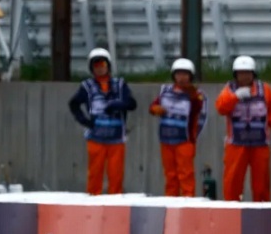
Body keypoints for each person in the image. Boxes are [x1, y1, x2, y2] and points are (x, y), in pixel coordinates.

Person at [68, 48, 138, 195]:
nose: (100, 68)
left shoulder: (120, 85)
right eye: (96, 65)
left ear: (108, 66)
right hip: (96, 138)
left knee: (116, 175)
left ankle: (115, 205)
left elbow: (132, 104)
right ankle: (93, 204)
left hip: (117, 139)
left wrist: (117, 105)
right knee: (95, 174)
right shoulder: (87, 87)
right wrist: (84, 121)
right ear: (91, 68)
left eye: (103, 65)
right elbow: (73, 104)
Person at [215, 56, 271, 202]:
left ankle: (262, 213)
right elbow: (220, 108)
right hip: (236, 144)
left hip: (260, 144)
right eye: (240, 73)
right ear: (235, 75)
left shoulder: (264, 90)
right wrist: (235, 97)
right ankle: (232, 211)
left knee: (261, 184)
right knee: (232, 181)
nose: (244, 76)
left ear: (253, 74)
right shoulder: (229, 89)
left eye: (247, 73)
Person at [149, 58, 206, 197]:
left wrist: (192, 93)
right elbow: (152, 106)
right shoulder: (165, 90)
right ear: (174, 75)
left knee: (185, 175)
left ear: (190, 76)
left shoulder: (196, 94)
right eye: (179, 74)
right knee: (170, 176)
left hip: (184, 140)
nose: (181, 78)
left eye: (185, 74)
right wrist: (155, 109)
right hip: (166, 139)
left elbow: (199, 109)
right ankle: (170, 202)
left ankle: (188, 202)